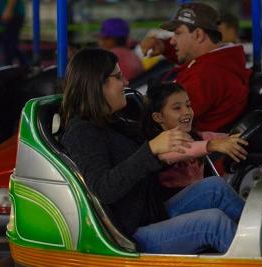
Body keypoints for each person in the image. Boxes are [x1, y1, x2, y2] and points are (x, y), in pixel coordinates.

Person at [60, 48, 245, 254]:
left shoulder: (112, 121)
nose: (126, 83)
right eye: (119, 77)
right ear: (98, 84)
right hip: (130, 232)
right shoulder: (83, 133)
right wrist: (150, 149)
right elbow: (103, 189)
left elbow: (149, 154)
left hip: (151, 210)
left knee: (215, 188)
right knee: (214, 223)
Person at [140, 3, 251, 132]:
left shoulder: (206, 74)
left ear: (198, 34)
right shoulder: (222, 59)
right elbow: (190, 55)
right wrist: (163, 46)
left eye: (178, 33)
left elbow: (164, 122)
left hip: (191, 147)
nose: (172, 41)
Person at [141, 81, 248, 198]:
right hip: (174, 203)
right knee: (216, 186)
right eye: (177, 108)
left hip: (200, 195)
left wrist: (240, 137)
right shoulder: (159, 147)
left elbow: (223, 138)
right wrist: (212, 145)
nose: (187, 112)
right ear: (158, 117)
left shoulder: (195, 137)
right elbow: (183, 150)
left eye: (188, 105)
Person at [0, 0, 27, 66]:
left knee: (9, 43)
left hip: (13, 15)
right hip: (9, 14)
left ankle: (9, 66)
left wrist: (8, 10)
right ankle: (25, 66)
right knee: (10, 43)